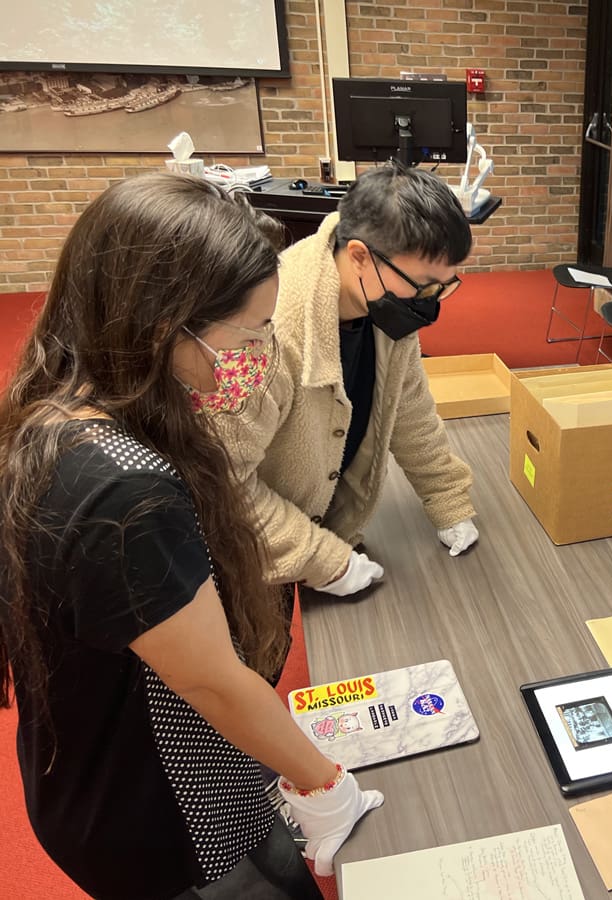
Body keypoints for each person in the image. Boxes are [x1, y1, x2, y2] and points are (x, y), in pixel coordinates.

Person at [0, 173, 382, 899]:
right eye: (247, 333)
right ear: (161, 324)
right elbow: (209, 679)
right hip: (160, 809)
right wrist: (325, 783)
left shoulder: (64, 407)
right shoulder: (124, 490)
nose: (260, 349)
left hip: (105, 767)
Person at [208, 162, 477, 601]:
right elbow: (226, 485)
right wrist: (323, 561)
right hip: (263, 550)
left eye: (443, 287)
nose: (430, 303)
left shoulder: (384, 307)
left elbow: (410, 410)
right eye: (423, 285)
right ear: (358, 256)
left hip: (333, 522)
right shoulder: (265, 332)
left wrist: (447, 499)